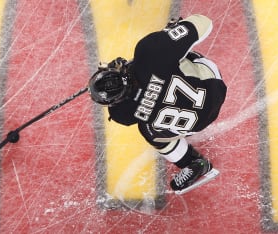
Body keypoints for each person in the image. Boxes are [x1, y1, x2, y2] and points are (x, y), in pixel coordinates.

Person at [88, 14, 227, 194]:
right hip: (212, 85)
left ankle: (192, 162)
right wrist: (172, 33)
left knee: (147, 128)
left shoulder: (122, 113)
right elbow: (205, 23)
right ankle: (172, 35)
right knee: (170, 55)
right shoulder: (149, 52)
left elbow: (138, 93)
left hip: (199, 123)